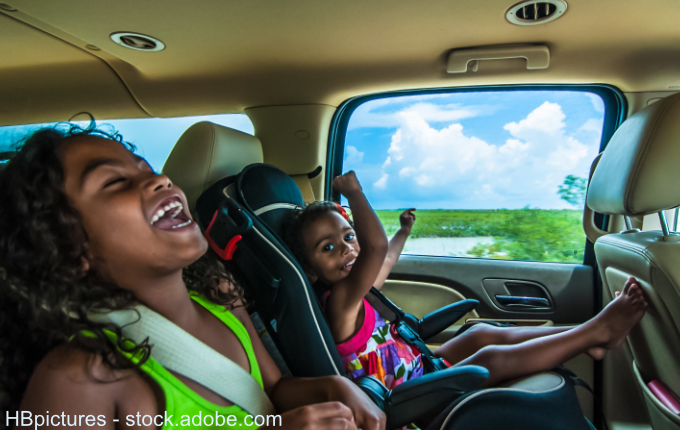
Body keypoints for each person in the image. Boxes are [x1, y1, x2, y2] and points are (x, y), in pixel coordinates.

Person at [0, 124, 386, 430]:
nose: (160, 180)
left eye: (147, 169)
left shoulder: (222, 296)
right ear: (67, 249)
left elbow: (273, 391)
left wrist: (335, 386)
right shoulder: (80, 379)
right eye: (113, 182)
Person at [282, 170, 649, 390]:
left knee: (478, 334)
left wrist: (404, 232)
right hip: (406, 397)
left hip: (417, 369)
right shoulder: (342, 302)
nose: (346, 249)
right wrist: (355, 194)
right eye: (327, 247)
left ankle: (588, 335)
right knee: (488, 356)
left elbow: (386, 256)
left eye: (348, 237)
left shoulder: (359, 290)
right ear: (311, 270)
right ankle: (598, 333)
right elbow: (374, 249)